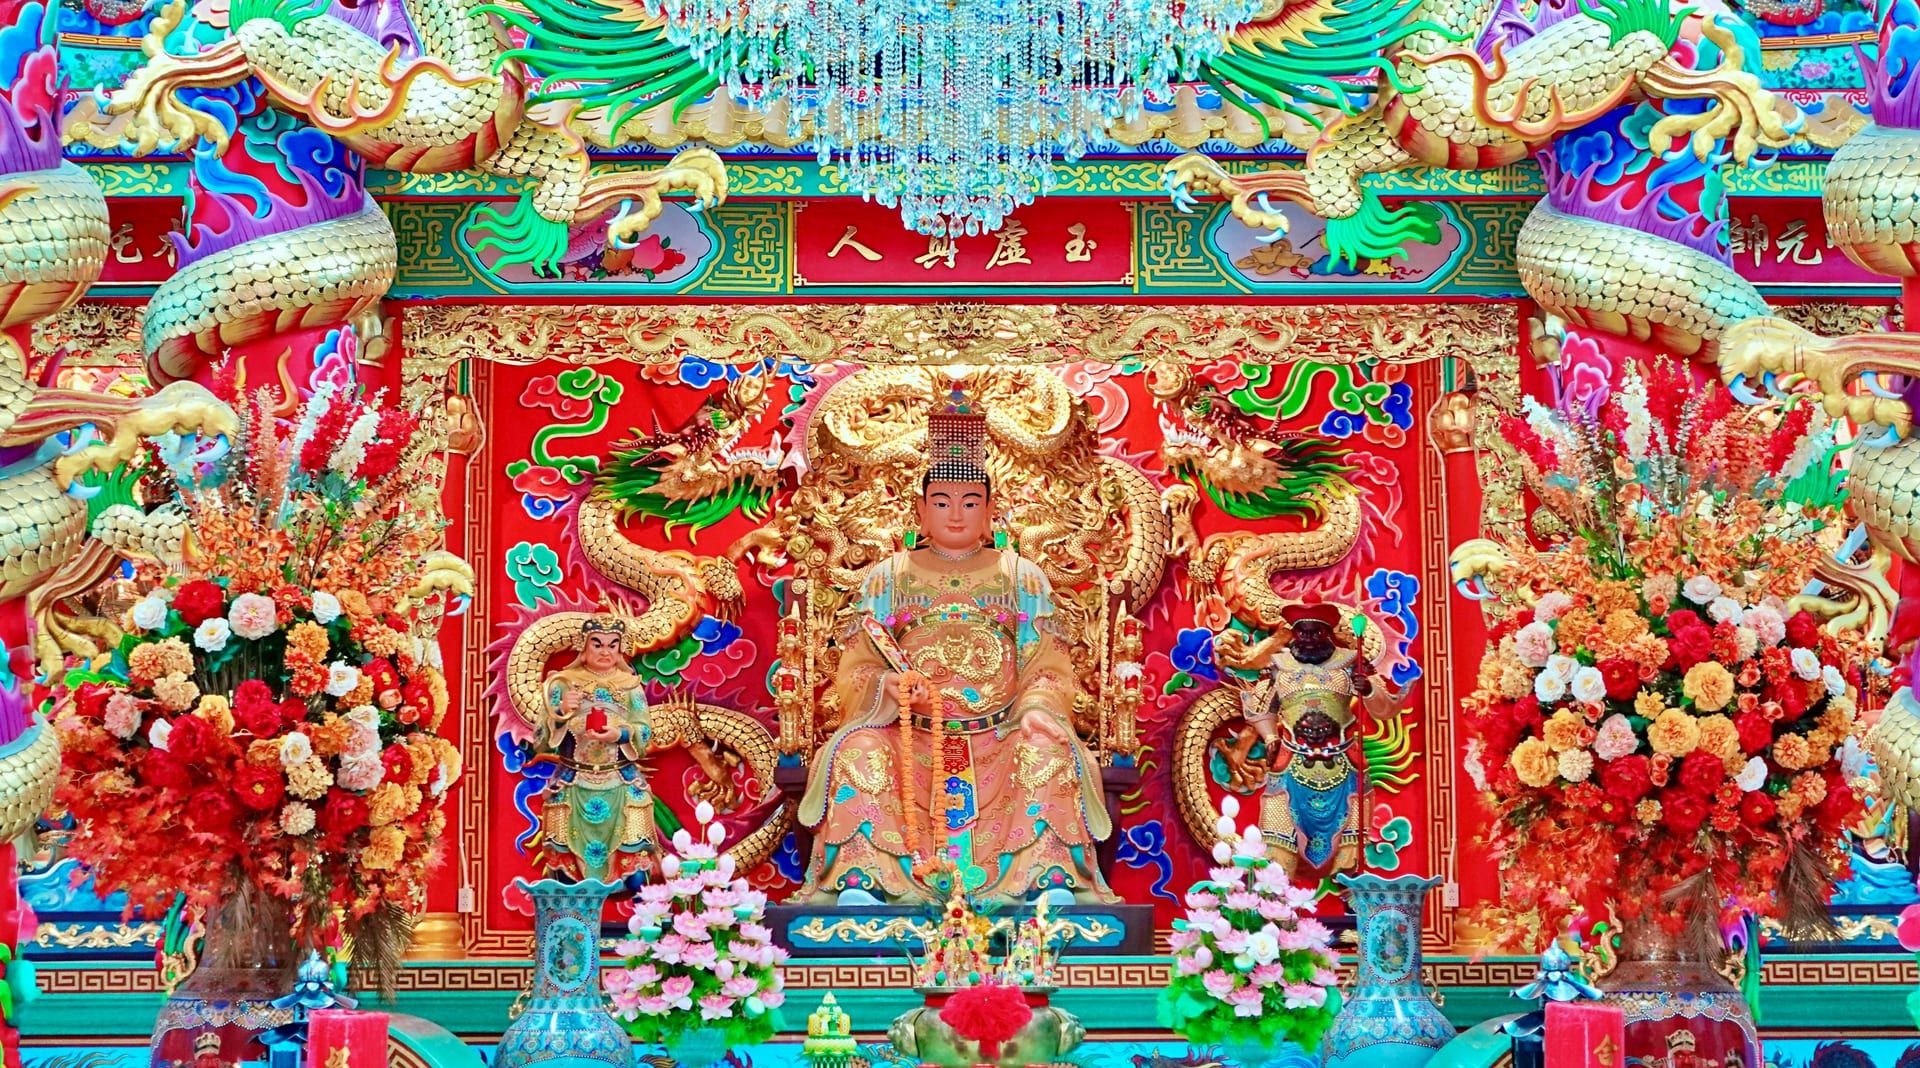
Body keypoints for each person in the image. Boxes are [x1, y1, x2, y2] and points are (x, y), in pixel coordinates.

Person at [796, 391, 1115, 905]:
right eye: (942, 502)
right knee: (859, 751)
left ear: (989, 511)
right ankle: (871, 882)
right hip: (909, 737)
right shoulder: (887, 578)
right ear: (921, 511)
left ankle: (1040, 882)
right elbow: (855, 669)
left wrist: (1038, 707)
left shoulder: (1021, 577)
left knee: (1046, 751)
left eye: (970, 503)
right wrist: (888, 687)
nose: (957, 515)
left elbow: (1048, 667)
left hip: (1001, 736)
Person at [1224, 600, 1393, 878]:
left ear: (1328, 633)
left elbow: (1385, 708)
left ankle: (1350, 883)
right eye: (1303, 632)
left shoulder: (1351, 662)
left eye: (1316, 632)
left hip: (1342, 759)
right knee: (1280, 829)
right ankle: (1276, 887)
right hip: (1292, 759)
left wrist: (1369, 690)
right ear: (1294, 633)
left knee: (1351, 833)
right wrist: (1270, 737)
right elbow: (1260, 707)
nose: (1309, 638)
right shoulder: (1278, 665)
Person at [533, 616, 658, 883]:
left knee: (635, 870)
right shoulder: (563, 683)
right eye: (597, 644)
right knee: (565, 870)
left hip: (621, 782)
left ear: (620, 648)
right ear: (584, 645)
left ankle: (632, 910)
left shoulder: (631, 685)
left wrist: (620, 734)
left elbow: (645, 733)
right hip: (572, 783)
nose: (605, 652)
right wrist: (561, 711)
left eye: (612, 645)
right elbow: (540, 740)